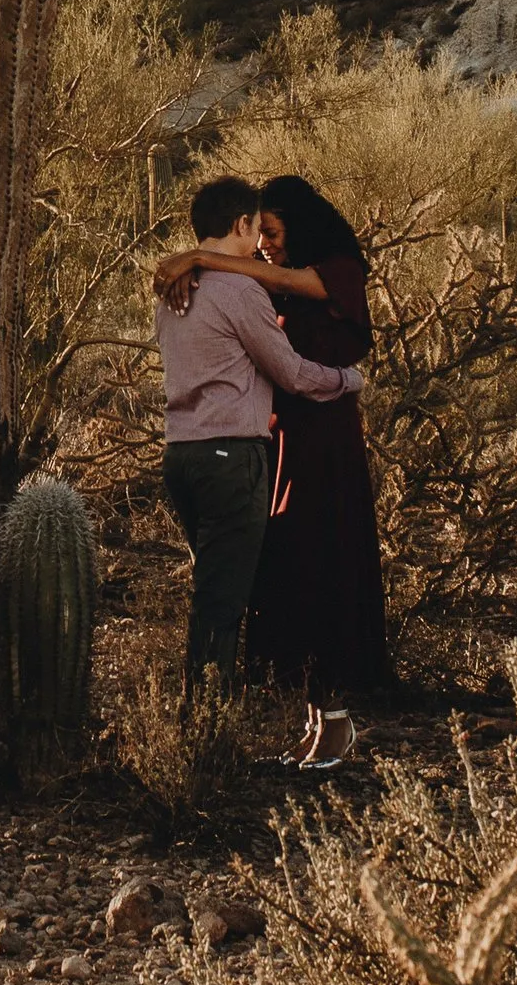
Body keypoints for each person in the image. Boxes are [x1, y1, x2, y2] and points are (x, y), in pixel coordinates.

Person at [159, 172, 386, 768]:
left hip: (325, 442)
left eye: (275, 231)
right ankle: (310, 718)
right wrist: (202, 265)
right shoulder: (261, 288)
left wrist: (197, 258)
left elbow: (282, 285)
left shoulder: (335, 273)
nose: (266, 243)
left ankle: (334, 721)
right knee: (288, 578)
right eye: (260, 232)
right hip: (277, 441)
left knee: (324, 566)